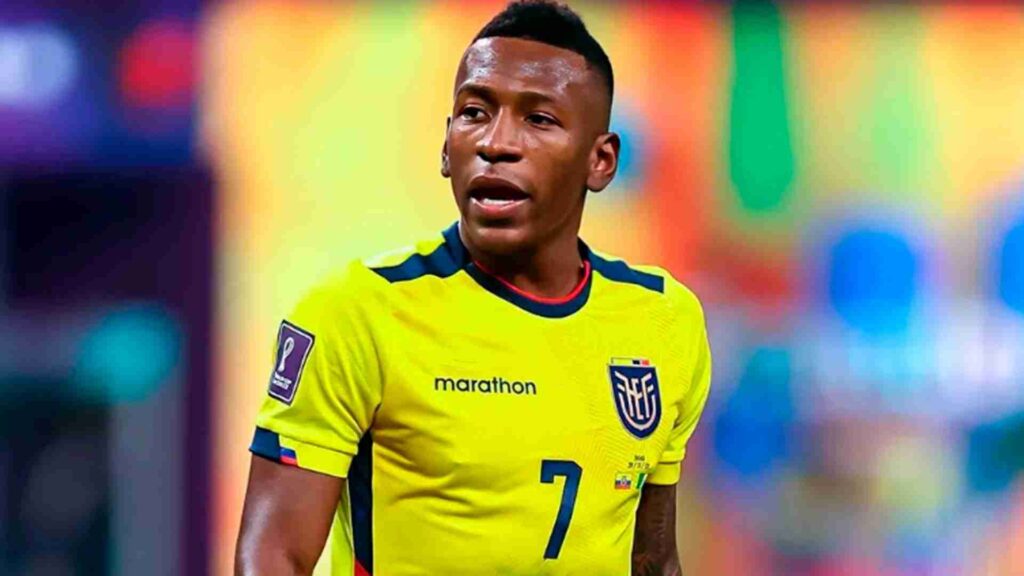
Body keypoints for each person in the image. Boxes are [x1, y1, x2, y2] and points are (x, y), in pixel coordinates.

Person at [235, 1, 711, 574]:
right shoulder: (356, 313)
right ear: (445, 146)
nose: (495, 142)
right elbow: (275, 555)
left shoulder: (663, 320)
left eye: (539, 119)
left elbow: (653, 559)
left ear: (601, 161)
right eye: (475, 113)